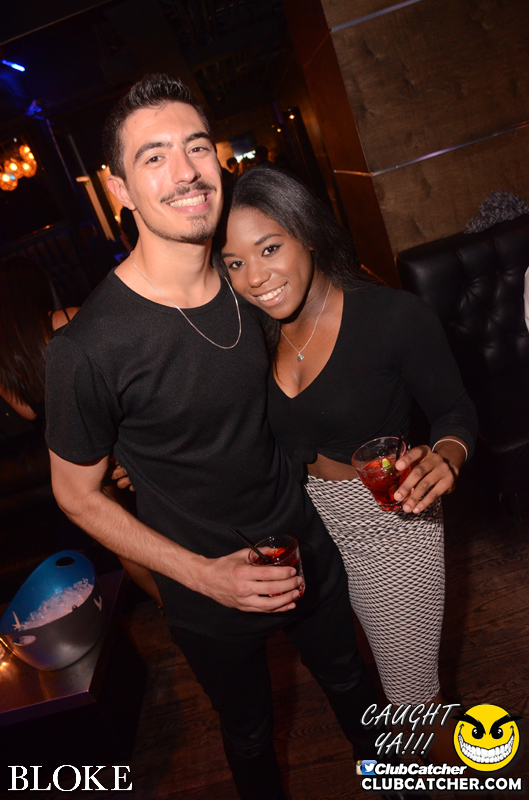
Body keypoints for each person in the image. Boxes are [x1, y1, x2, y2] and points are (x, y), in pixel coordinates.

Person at [45, 74, 409, 800]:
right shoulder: (87, 348)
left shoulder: (253, 281)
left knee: (355, 690)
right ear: (118, 189)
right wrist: (203, 575)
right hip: (204, 586)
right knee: (248, 736)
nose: (184, 172)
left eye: (195, 147)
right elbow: (75, 495)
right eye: (153, 157)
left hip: (303, 544)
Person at [215, 165, 478, 765]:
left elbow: (455, 411)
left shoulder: (391, 316)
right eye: (234, 263)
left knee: (411, 698)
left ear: (307, 233)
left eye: (270, 248)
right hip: (304, 528)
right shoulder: (249, 335)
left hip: (390, 522)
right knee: (355, 680)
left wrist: (447, 456)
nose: (255, 277)